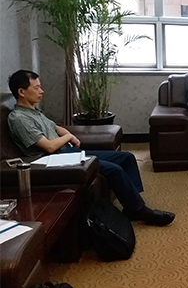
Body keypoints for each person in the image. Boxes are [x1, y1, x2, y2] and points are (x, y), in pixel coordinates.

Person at [7, 70, 175, 226]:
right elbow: (49, 147)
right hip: (52, 159)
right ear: (21, 92)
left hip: (67, 152)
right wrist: (69, 137)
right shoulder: (19, 118)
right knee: (114, 169)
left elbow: (56, 128)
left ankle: (132, 203)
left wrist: (68, 135)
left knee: (127, 157)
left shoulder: (34, 112)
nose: (41, 91)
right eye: (36, 88)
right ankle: (139, 210)